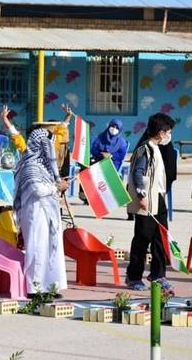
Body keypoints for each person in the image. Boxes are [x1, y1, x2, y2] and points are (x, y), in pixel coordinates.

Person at [13, 126, 70, 296]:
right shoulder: (30, 165)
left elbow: (50, 186)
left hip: (49, 213)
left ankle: (50, 287)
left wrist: (59, 186)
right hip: (35, 213)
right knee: (37, 250)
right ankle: (35, 289)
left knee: (51, 250)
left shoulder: (45, 166)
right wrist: (56, 187)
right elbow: (37, 189)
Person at [125, 113, 175, 291]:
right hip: (146, 200)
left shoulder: (157, 148)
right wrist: (141, 195)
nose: (169, 135)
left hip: (158, 198)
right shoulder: (144, 149)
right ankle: (133, 277)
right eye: (168, 132)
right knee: (142, 238)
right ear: (161, 133)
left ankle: (158, 275)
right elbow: (137, 173)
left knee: (160, 237)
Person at [80, 118, 128, 204]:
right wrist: (101, 154)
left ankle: (103, 197)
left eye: (117, 127)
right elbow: (93, 150)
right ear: (109, 126)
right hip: (99, 159)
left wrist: (111, 155)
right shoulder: (101, 137)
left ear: (120, 129)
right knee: (85, 167)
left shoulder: (122, 142)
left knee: (100, 170)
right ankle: (85, 194)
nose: (114, 129)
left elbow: (121, 156)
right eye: (113, 126)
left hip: (113, 163)